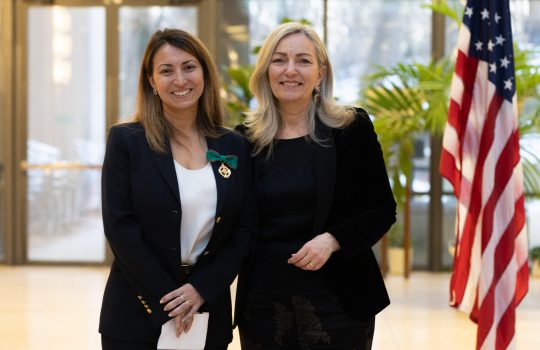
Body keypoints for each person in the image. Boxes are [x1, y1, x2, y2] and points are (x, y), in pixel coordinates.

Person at [235, 22, 397, 350]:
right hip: (264, 304)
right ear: (266, 71)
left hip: (339, 299)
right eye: (279, 60)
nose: (290, 70)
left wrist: (333, 239)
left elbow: (382, 209)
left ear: (321, 73)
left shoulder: (351, 129)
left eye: (303, 61)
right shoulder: (243, 141)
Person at [99, 28, 255, 350]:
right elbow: (120, 226)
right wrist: (169, 299)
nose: (179, 79)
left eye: (188, 67)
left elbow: (244, 229)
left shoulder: (235, 146)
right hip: (136, 307)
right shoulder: (127, 141)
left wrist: (200, 289)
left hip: (208, 306)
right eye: (166, 71)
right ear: (151, 82)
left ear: (204, 74)